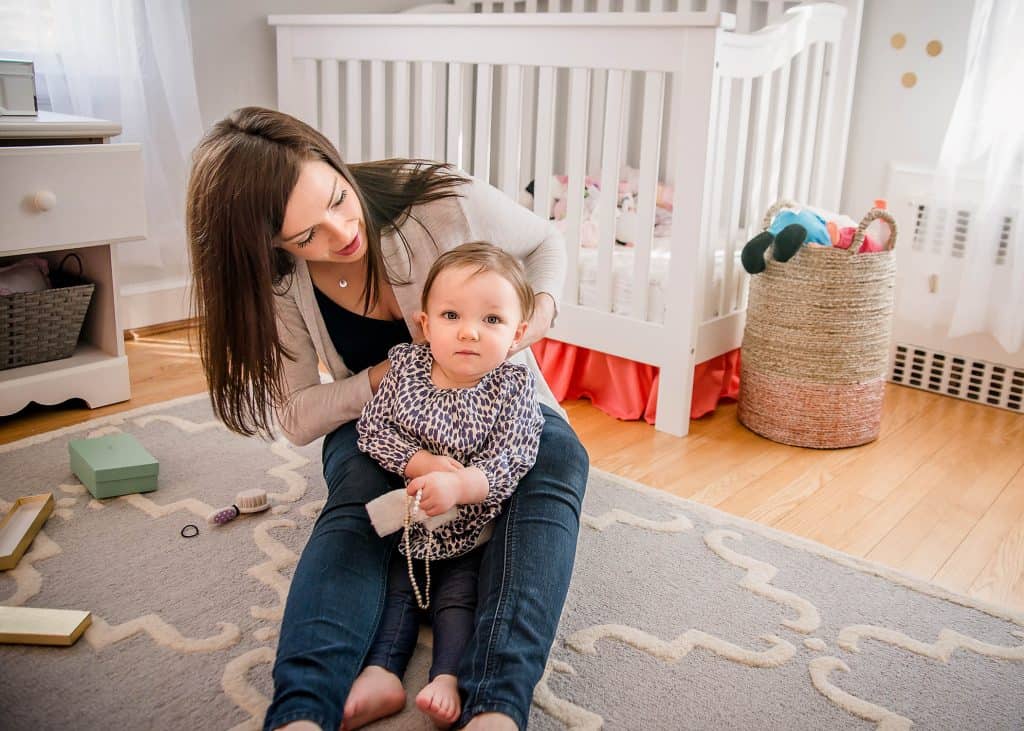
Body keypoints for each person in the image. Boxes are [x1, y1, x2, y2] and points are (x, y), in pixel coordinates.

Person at [185, 106, 589, 731]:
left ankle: (497, 704)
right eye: (304, 236)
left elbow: (545, 241)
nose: (340, 231)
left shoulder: (438, 199)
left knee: (558, 459)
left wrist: (542, 309)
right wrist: (385, 377)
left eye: (338, 199)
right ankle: (301, 710)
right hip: (384, 422)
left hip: (498, 403)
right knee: (356, 501)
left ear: (332, 160)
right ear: (271, 245)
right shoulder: (280, 285)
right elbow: (295, 415)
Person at [354, 242, 545, 728]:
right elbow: (373, 430)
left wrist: (462, 486)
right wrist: (419, 462)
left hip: (471, 534)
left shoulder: (511, 389)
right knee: (392, 591)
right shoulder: (407, 370)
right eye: (452, 314)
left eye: (492, 321)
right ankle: (382, 673)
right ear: (425, 323)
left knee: (460, 599)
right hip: (410, 526)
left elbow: (516, 456)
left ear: (518, 333)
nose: (468, 331)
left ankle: (446, 677)